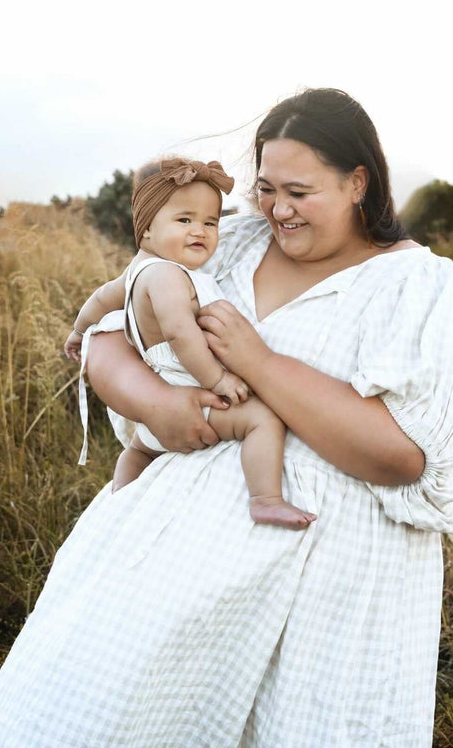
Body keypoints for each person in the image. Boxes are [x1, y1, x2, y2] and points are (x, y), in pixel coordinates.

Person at [0, 88, 453, 748]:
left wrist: (258, 362)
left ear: (359, 182)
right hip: (168, 567)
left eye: (299, 191)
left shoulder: (418, 285)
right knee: (92, 733)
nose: (278, 209)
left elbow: (402, 457)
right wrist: (156, 405)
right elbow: (110, 336)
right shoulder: (223, 242)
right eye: (265, 188)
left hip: (331, 596)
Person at [63, 156, 316, 528]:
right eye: (184, 221)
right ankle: (265, 498)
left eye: (209, 222)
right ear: (146, 229)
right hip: (192, 390)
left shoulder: (135, 272)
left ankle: (119, 501)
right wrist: (218, 380)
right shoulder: (167, 276)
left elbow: (101, 299)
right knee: (262, 420)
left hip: (157, 410)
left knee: (136, 452)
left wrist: (79, 331)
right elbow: (182, 334)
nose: (199, 231)